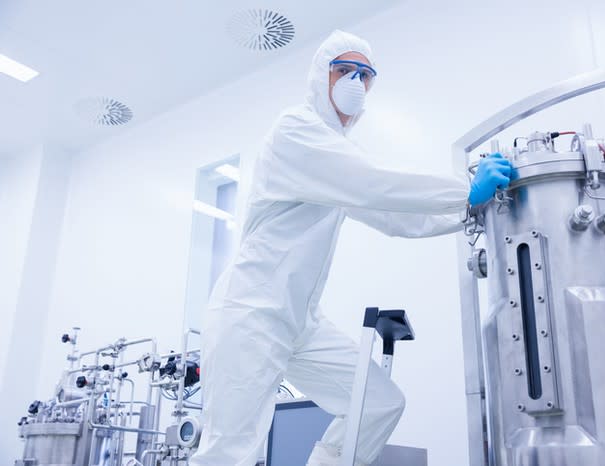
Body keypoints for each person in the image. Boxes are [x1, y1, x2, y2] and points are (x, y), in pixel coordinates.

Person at [189, 30, 512, 466]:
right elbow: (373, 183)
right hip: (250, 313)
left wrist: (469, 210)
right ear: (320, 77)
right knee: (231, 451)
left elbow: (393, 216)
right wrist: (464, 190)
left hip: (300, 325)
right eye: (344, 71)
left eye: (365, 75)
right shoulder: (296, 131)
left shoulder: (340, 155)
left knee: (378, 403)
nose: (355, 84)